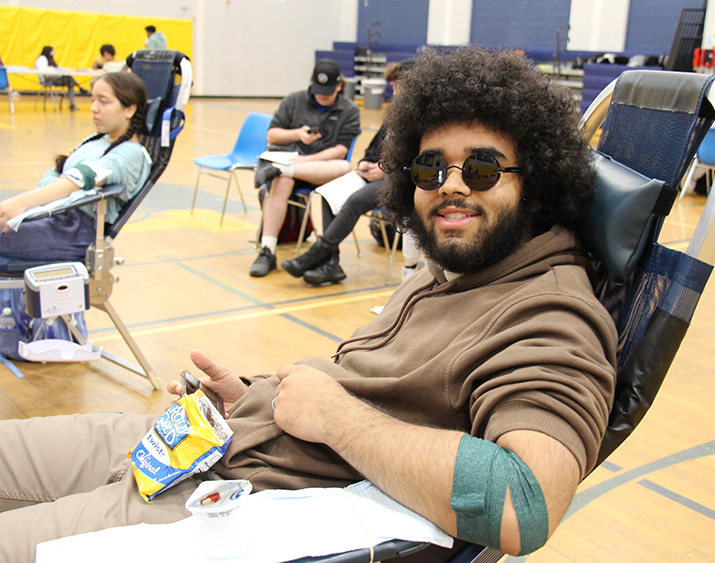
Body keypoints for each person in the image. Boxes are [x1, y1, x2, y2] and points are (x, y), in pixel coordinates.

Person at [0, 47, 616, 562]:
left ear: (535, 184)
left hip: (232, 498)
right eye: (430, 168)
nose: (451, 185)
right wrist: (252, 396)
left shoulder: (549, 314)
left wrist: (336, 418)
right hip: (211, 440)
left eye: (482, 169)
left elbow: (524, 505)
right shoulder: (460, 270)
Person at [280, 59, 414, 285]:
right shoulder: (394, 114)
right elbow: (374, 147)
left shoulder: (420, 119)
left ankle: (315, 255)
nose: (394, 92)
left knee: (353, 201)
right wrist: (365, 163)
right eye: (393, 86)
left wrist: (384, 172)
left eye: (398, 87)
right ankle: (330, 264)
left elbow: (415, 161)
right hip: (372, 174)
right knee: (328, 194)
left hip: (399, 180)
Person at [0, 72, 151, 262]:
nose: (93, 108)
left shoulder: (132, 153)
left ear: (129, 110)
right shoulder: (96, 139)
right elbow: (59, 173)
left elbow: (83, 176)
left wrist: (24, 201)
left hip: (75, 230)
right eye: (93, 99)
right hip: (54, 213)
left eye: (103, 102)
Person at [249, 58, 360, 278]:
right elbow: (272, 135)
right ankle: (267, 251)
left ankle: (282, 169)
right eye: (319, 90)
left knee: (344, 166)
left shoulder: (350, 110)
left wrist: (301, 163)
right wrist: (297, 134)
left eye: (328, 91)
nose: (323, 95)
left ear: (339, 86)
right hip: (289, 161)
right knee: (281, 184)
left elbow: (340, 149)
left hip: (319, 169)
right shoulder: (293, 100)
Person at [34, 46, 88, 111]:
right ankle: (79, 88)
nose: (54, 52)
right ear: (49, 51)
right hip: (49, 80)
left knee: (70, 82)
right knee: (69, 79)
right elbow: (44, 71)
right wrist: (56, 71)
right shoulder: (42, 59)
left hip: (55, 78)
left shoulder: (50, 59)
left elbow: (55, 69)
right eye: (53, 51)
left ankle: (72, 103)